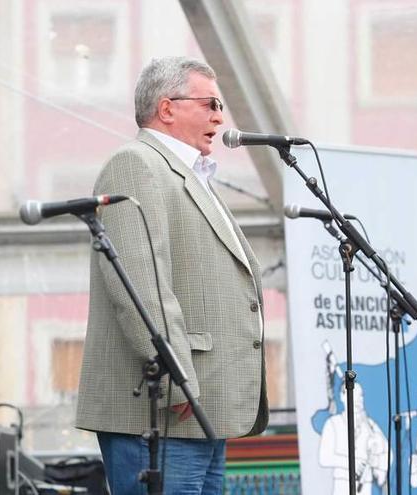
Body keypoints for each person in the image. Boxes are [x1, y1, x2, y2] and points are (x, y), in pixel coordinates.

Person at [75, 56, 269, 494]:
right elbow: (141, 287)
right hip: (167, 408)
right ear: (167, 108)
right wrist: (176, 381)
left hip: (203, 410)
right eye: (210, 104)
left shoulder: (188, 174)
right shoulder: (136, 164)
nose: (220, 116)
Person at [318, 382, 389, 495]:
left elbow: (389, 454)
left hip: (365, 487)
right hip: (342, 485)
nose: (358, 399)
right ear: (342, 396)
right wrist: (352, 462)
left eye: (360, 395)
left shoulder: (370, 426)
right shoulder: (333, 424)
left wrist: (376, 461)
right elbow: (324, 458)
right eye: (353, 393)